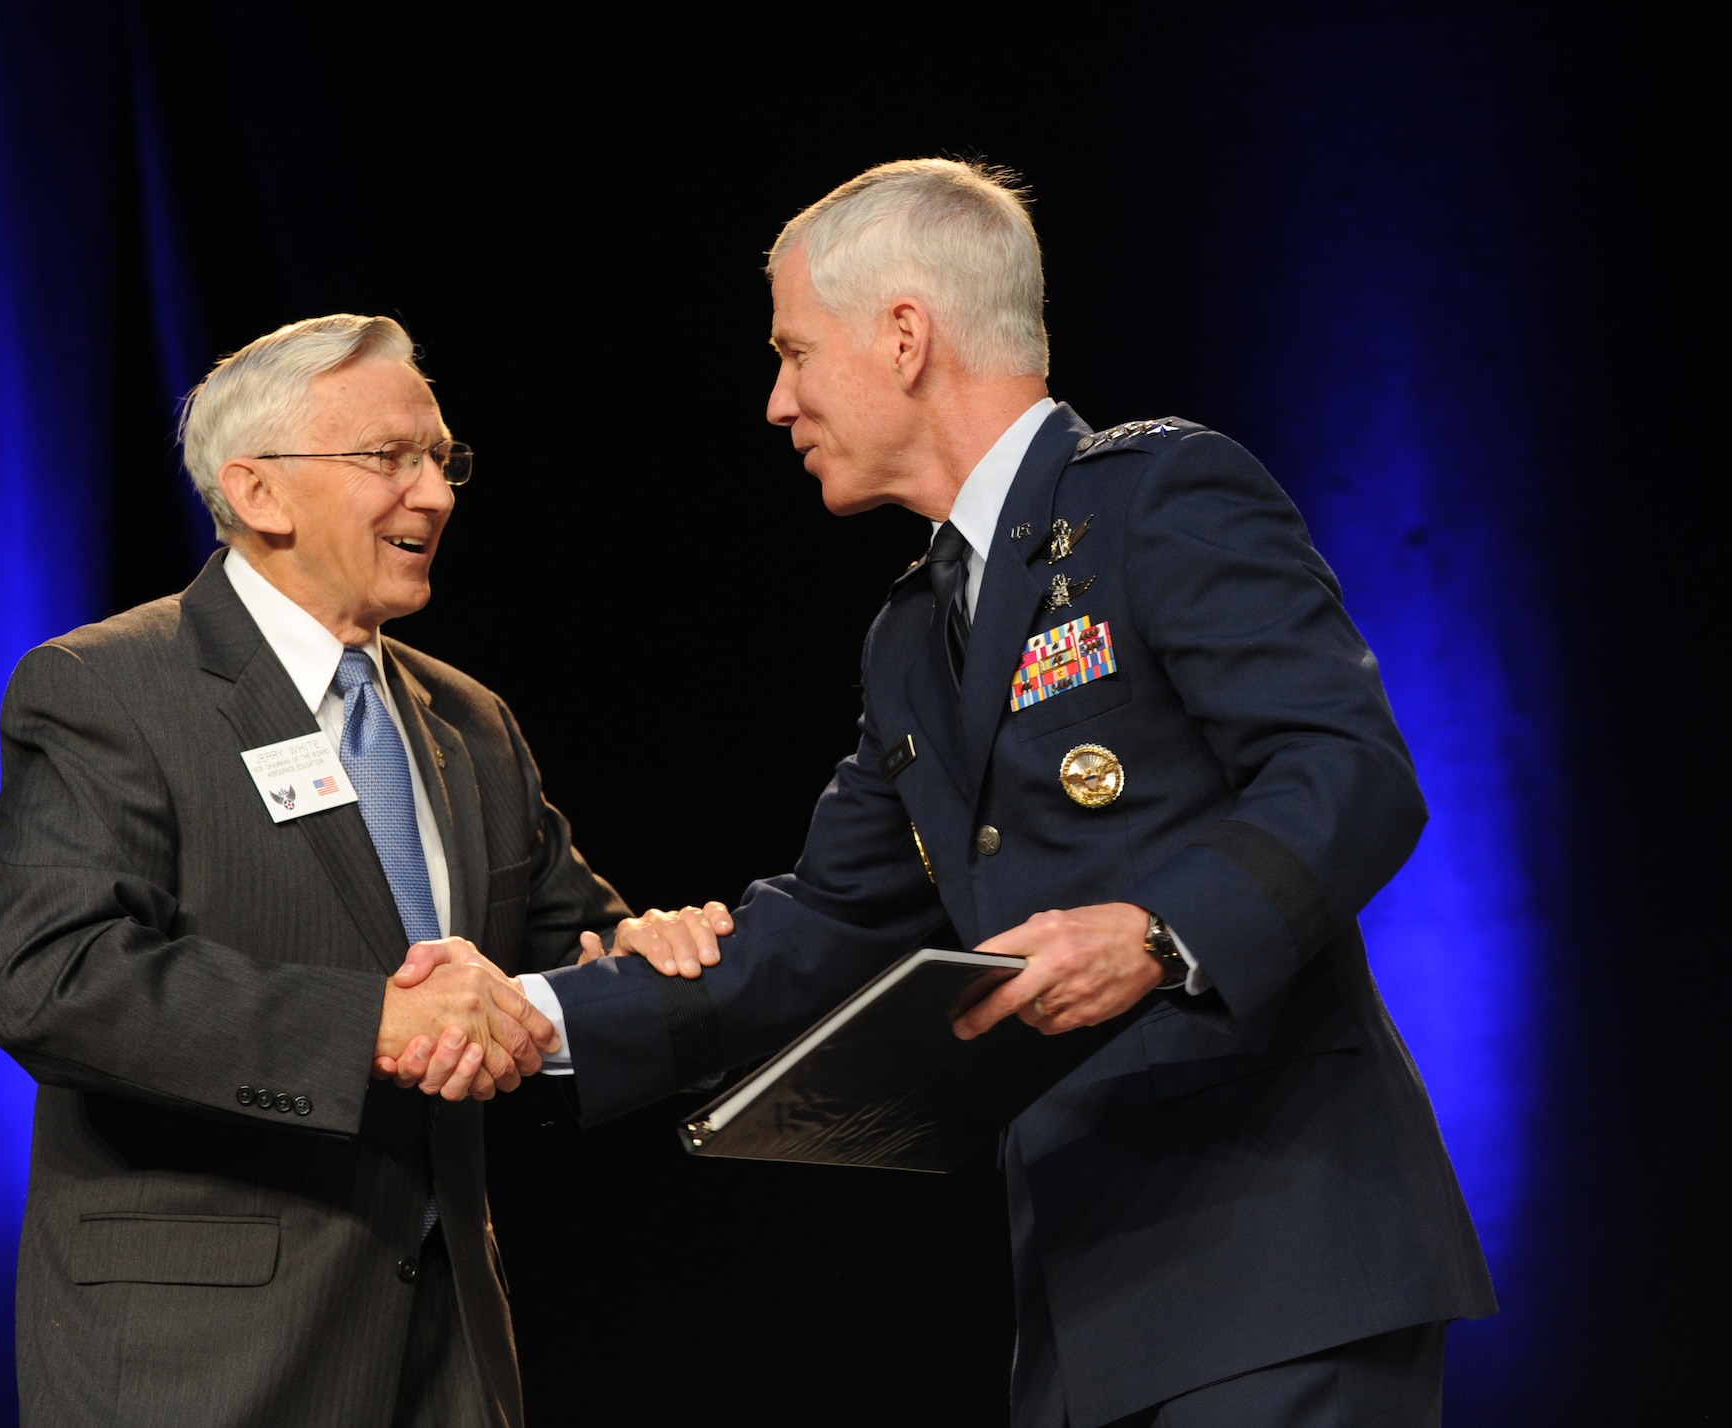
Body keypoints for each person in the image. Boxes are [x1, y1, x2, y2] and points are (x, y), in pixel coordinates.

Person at [528, 161, 1498, 1426]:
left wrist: (1160, 936)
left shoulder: (1159, 494)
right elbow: (828, 924)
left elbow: (1350, 771)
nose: (776, 401)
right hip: (1087, 1298)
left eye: (793, 353)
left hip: (1277, 1260)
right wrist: (535, 1019)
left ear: (904, 335)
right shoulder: (910, 632)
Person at [0, 314, 633, 1426]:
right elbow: (52, 976)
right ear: (260, 494)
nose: (434, 494)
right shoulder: (105, 689)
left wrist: (649, 957)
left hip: (449, 1352)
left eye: (442, 458)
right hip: (206, 1358)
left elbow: (561, 953)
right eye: (390, 459)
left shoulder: (469, 722)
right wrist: (362, 1023)